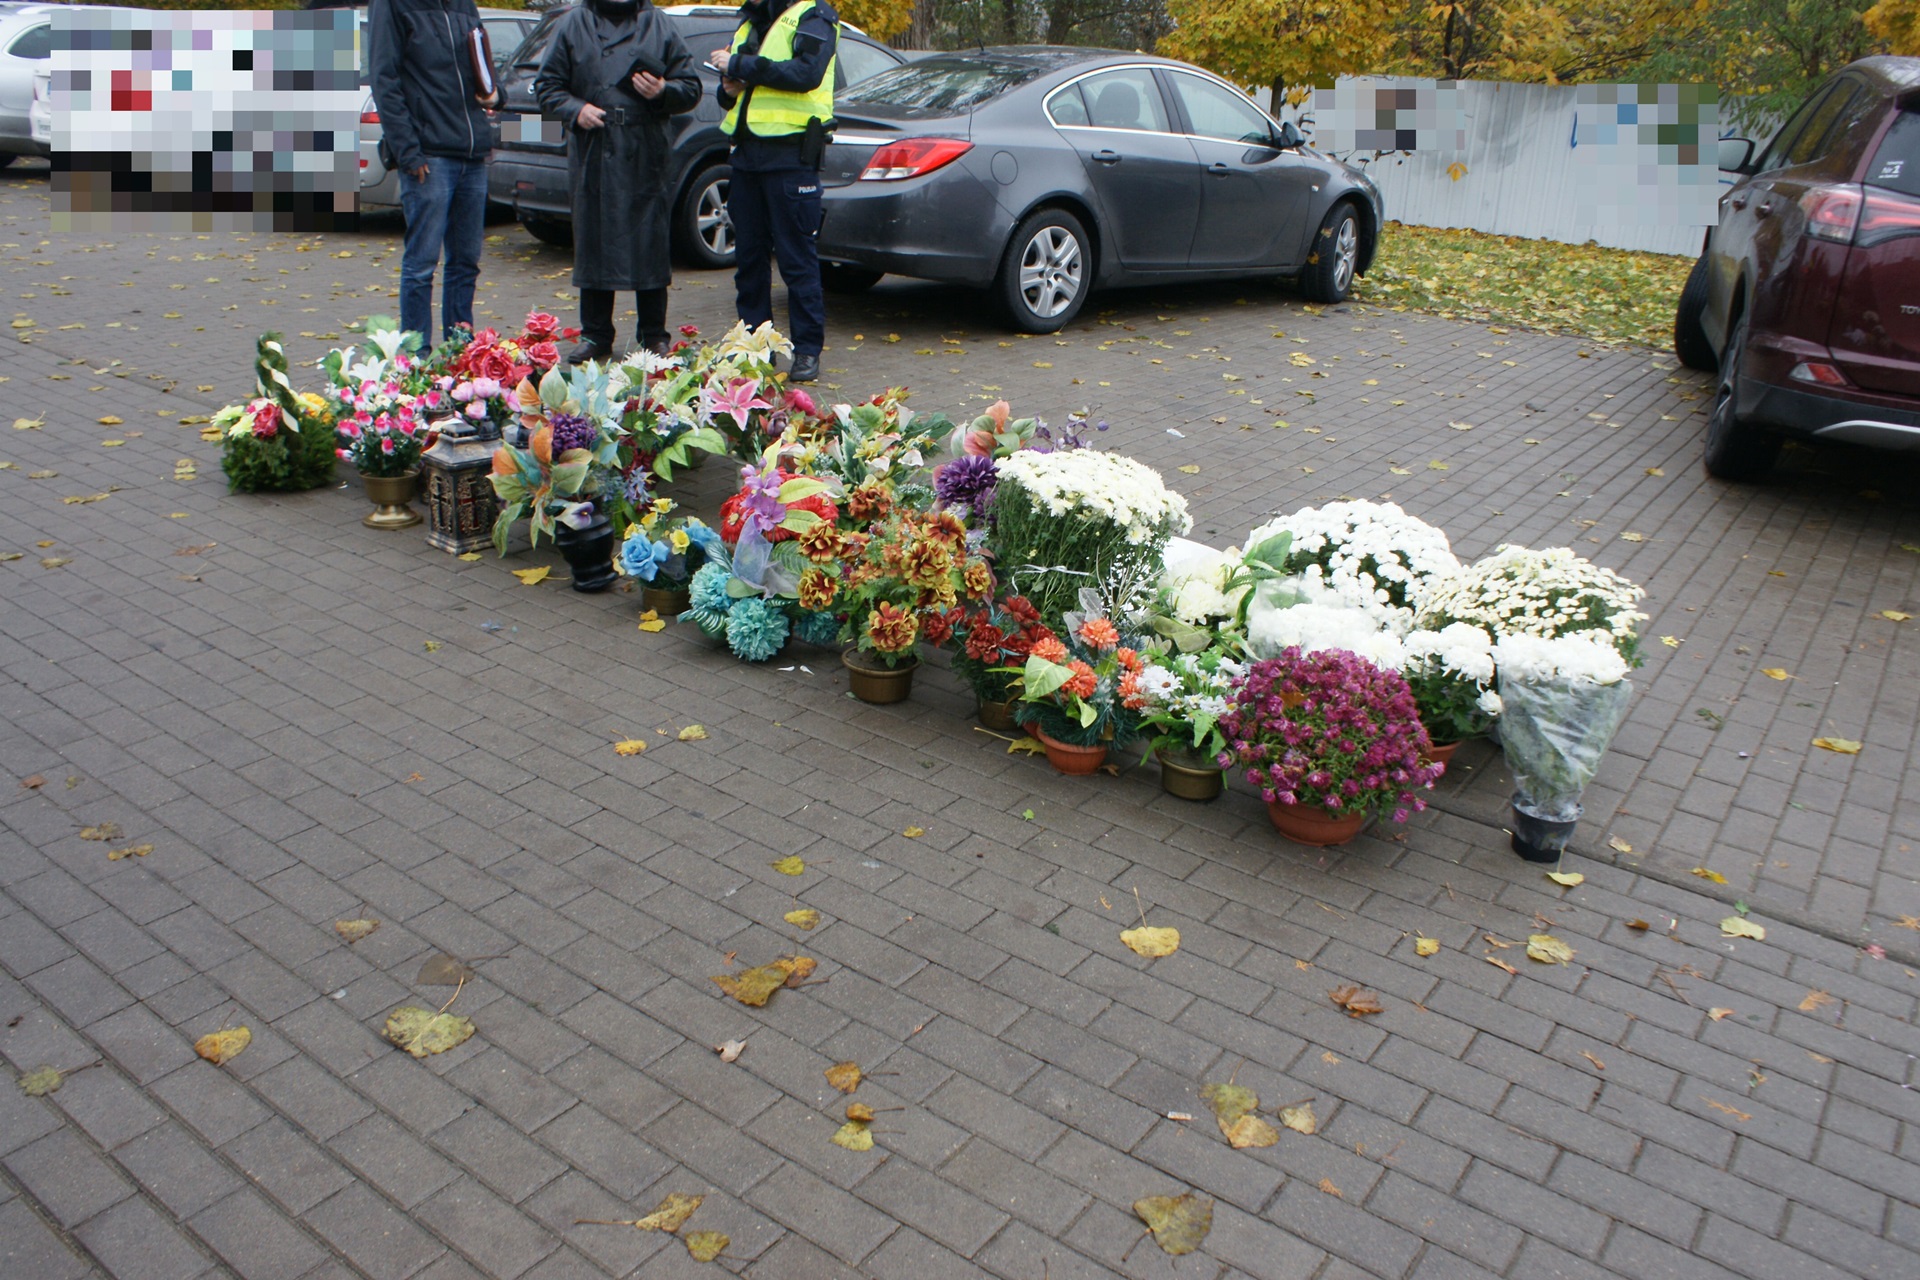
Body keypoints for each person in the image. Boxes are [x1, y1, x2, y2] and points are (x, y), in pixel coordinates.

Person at [536, 0, 701, 365]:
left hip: (645, 150)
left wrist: (662, 91)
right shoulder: (572, 23)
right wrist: (575, 109)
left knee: (650, 243)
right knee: (595, 239)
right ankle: (595, 334)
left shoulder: (657, 22)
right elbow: (546, 87)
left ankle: (654, 335)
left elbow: (691, 87)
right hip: (595, 149)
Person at [710, 0, 838, 384]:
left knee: (797, 262)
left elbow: (807, 73)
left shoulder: (815, 15)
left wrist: (739, 67)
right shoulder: (750, 21)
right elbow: (734, 94)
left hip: (791, 157)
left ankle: (807, 351)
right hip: (747, 156)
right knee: (748, 262)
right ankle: (755, 349)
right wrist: (728, 86)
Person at [368, 0, 503, 345]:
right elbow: (385, 79)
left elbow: (481, 59)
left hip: (471, 153)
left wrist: (495, 93)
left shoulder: (463, 4)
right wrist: (408, 152)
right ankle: (416, 358)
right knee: (421, 267)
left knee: (465, 264)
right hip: (430, 156)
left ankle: (460, 354)